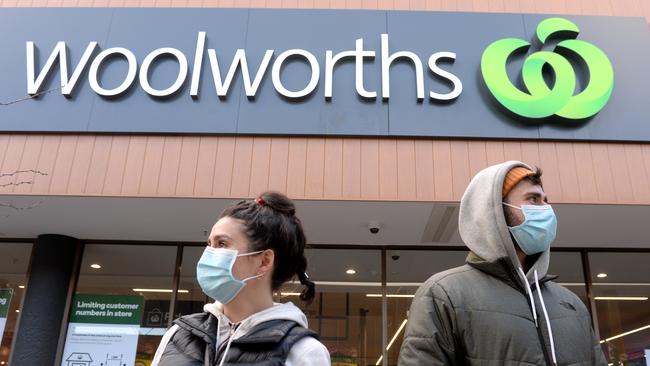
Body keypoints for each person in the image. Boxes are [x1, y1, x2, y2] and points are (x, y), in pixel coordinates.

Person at [398, 161, 606, 365]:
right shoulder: (444, 294)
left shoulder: (571, 304)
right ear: (494, 210)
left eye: (545, 200)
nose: (546, 209)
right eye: (533, 199)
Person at [152, 191, 330, 366]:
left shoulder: (304, 352)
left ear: (264, 261)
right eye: (209, 244)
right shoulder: (178, 335)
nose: (209, 253)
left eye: (222, 243)